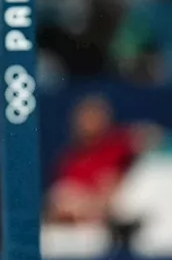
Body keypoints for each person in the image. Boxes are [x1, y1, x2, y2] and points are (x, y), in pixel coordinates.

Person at [47, 95, 160, 224]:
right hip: (87, 219)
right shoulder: (70, 160)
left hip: (119, 209)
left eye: (94, 117)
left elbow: (153, 137)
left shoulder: (120, 145)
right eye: (85, 119)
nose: (89, 124)